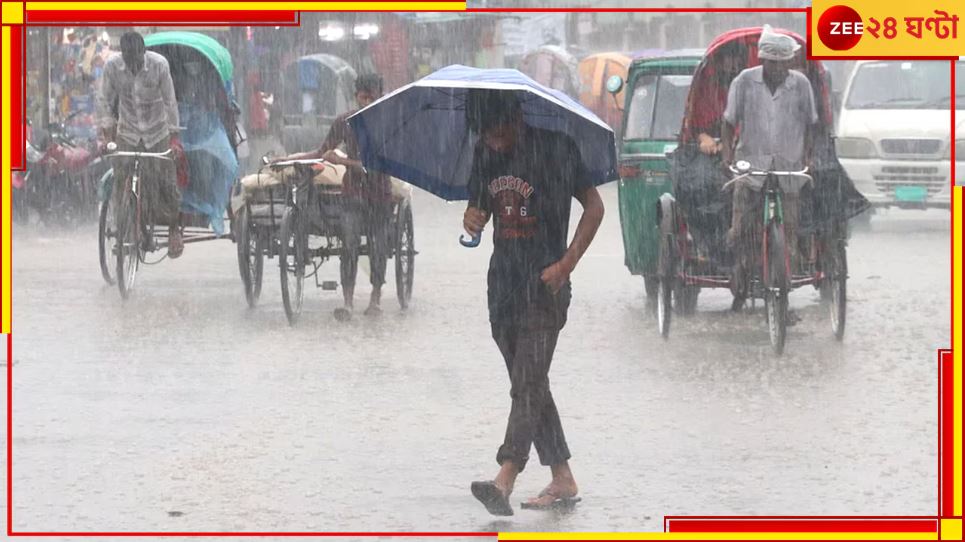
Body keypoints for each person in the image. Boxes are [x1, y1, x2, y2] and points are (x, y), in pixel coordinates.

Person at [463, 90, 605, 516]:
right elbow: (480, 208)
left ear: (517, 118)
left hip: (546, 287)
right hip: (502, 288)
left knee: (526, 382)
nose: (494, 141)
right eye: (486, 134)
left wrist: (567, 265)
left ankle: (504, 477)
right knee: (531, 384)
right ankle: (562, 477)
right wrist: (472, 217)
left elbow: (595, 208)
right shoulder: (484, 151)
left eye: (500, 131)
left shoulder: (556, 149)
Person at [273, 73, 391, 321]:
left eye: (372, 96)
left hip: (380, 197)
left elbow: (376, 165)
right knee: (348, 244)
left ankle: (375, 298)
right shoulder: (344, 122)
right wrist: (289, 159)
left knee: (378, 247)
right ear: (356, 96)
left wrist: (342, 161)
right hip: (352, 196)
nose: (366, 101)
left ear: (380, 96)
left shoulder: (388, 123)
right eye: (363, 96)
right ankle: (347, 303)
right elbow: (321, 151)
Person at [721, 26, 818, 310]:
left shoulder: (801, 85)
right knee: (741, 229)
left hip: (789, 166)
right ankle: (739, 273)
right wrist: (728, 157)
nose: (776, 68)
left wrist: (808, 158)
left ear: (789, 62)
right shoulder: (744, 81)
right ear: (762, 59)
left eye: (782, 63)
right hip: (751, 167)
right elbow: (728, 122)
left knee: (788, 229)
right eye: (771, 62)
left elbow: (811, 124)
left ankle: (782, 291)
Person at [96, 31, 184, 257]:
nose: (133, 64)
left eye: (136, 59)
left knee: (167, 182)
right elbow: (104, 100)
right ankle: (123, 227)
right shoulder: (113, 67)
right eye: (128, 59)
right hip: (128, 131)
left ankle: (174, 229)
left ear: (143, 53)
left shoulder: (159, 65)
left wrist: (174, 139)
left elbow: (170, 102)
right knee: (119, 179)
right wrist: (106, 135)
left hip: (157, 130)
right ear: (122, 54)